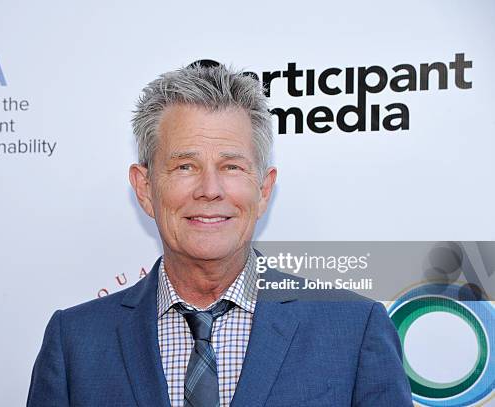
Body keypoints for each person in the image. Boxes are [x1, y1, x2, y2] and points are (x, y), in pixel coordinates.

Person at [27, 63, 413, 406]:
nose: (210, 189)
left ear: (263, 190)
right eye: (184, 167)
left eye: (231, 167)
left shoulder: (353, 329)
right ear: (145, 188)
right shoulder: (76, 342)